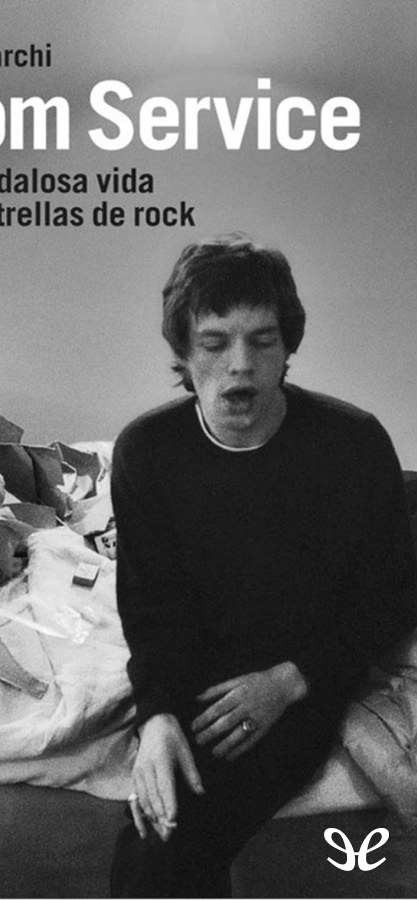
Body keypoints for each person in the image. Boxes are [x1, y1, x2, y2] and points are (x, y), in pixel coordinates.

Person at [109, 233, 417, 897]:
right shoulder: (146, 451)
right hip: (200, 675)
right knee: (154, 842)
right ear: (184, 352)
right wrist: (155, 718)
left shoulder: (354, 443)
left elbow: (390, 598)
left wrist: (288, 680)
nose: (241, 365)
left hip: (304, 670)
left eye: (263, 341)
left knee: (171, 850)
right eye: (215, 343)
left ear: (287, 348)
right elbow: (150, 606)